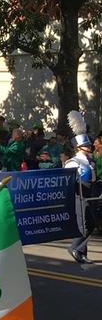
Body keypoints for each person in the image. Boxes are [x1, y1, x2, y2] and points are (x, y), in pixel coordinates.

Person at [65, 111, 97, 264]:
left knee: (90, 223)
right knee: (85, 224)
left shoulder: (90, 161)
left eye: (88, 144)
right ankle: (76, 248)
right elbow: (68, 180)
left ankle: (81, 251)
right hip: (79, 194)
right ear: (79, 147)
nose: (89, 147)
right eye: (86, 145)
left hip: (90, 193)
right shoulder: (73, 162)